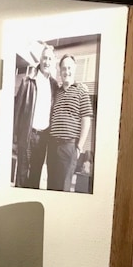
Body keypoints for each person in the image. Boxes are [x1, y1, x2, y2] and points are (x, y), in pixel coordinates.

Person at [12, 44, 57, 188]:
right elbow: (17, 111)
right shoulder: (28, 81)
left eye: (50, 59)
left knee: (35, 176)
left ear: (53, 62)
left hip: (43, 137)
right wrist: (14, 137)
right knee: (22, 174)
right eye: (45, 58)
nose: (47, 62)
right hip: (27, 134)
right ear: (40, 59)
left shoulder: (54, 85)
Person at [46, 54, 93, 191]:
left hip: (69, 147)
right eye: (64, 68)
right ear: (60, 71)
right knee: (51, 186)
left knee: (62, 188)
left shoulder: (81, 91)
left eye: (69, 68)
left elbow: (86, 119)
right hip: (52, 146)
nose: (67, 72)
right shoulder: (57, 92)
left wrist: (79, 147)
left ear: (75, 69)